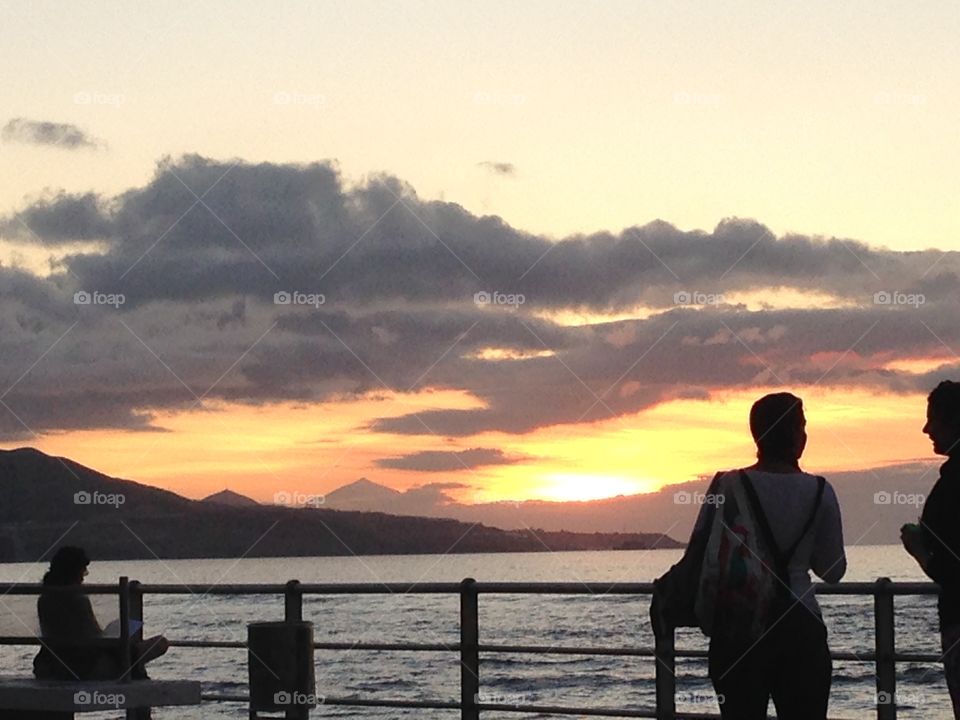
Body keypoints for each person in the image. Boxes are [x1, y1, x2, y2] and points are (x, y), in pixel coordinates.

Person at [699, 392, 846, 719]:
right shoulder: (820, 490)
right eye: (802, 426)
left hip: (740, 627)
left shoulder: (727, 485)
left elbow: (701, 551)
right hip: (800, 626)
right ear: (795, 435)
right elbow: (833, 569)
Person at [901, 380, 960, 718]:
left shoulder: (952, 483)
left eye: (933, 419)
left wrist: (918, 548)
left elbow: (949, 570)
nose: (926, 429)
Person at [33, 546, 170, 680]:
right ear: (74, 572)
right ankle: (134, 670)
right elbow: (96, 640)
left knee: (130, 652)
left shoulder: (44, 599)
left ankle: (134, 666)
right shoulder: (77, 600)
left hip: (51, 665)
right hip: (86, 668)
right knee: (159, 643)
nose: (83, 577)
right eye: (83, 571)